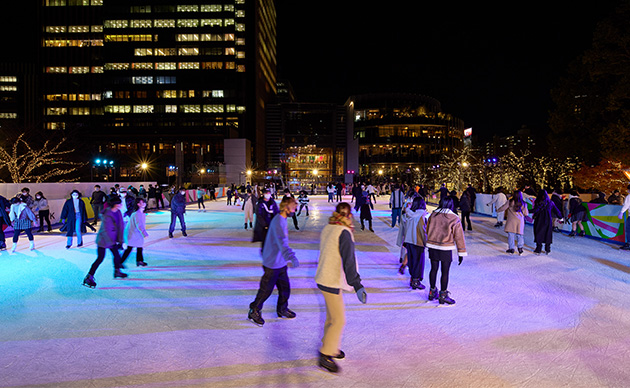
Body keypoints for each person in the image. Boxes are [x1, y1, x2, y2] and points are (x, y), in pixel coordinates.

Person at [315, 202, 366, 373]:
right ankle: (326, 354)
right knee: (338, 320)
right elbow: (349, 262)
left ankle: (329, 345)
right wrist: (357, 284)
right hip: (330, 280)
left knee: (331, 317)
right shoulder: (344, 232)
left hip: (323, 277)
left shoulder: (329, 227)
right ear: (349, 215)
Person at [248, 196, 300, 326]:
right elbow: (282, 243)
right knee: (266, 290)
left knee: (285, 288)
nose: (295, 209)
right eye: (293, 207)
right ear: (287, 207)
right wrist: (291, 256)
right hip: (272, 262)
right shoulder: (278, 222)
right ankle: (254, 310)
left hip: (280, 261)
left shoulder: (282, 219)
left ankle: (282, 309)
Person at [426, 196, 467, 305]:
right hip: (445, 248)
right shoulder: (453, 218)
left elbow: (427, 229)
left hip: (433, 247)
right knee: (445, 271)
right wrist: (461, 252)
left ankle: (432, 291)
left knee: (433, 269)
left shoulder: (433, 215)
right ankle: (443, 295)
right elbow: (459, 236)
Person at [82, 195, 126, 288]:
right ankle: (89, 276)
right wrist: (114, 243)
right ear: (114, 204)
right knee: (100, 258)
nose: (120, 205)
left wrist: (120, 241)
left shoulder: (117, 212)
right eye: (119, 203)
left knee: (117, 256)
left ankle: (117, 271)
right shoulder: (107, 215)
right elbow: (107, 231)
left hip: (112, 239)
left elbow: (120, 226)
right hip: (104, 240)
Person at [402, 196, 429, 290]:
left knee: (412, 261)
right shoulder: (422, 216)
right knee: (418, 262)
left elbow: (405, 228)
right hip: (418, 241)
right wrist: (426, 242)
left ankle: (412, 279)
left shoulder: (408, 214)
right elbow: (423, 230)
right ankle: (416, 281)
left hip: (409, 241)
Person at [532, 189, 563, 255]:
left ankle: (538, 249)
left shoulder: (538, 202)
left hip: (539, 220)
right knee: (547, 234)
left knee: (538, 233)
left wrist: (525, 211)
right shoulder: (551, 202)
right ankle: (547, 249)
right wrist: (560, 217)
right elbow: (556, 210)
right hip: (548, 220)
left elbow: (535, 210)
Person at [497, 190, 528, 255]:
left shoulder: (510, 201)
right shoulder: (523, 203)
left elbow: (503, 208)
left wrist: (498, 210)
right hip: (520, 221)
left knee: (511, 235)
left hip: (511, 220)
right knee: (520, 235)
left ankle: (511, 248)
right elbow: (526, 213)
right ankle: (520, 248)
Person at [122, 197, 149, 267]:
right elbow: (139, 225)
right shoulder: (136, 214)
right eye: (141, 202)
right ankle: (120, 262)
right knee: (129, 248)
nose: (144, 204)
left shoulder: (141, 213)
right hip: (132, 234)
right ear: (138, 204)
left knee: (139, 247)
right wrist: (144, 233)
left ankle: (139, 261)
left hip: (137, 234)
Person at [617, 184, 630, 250]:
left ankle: (629, 244)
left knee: (629, 230)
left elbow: (626, 205)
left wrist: (621, 212)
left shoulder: (629, 196)